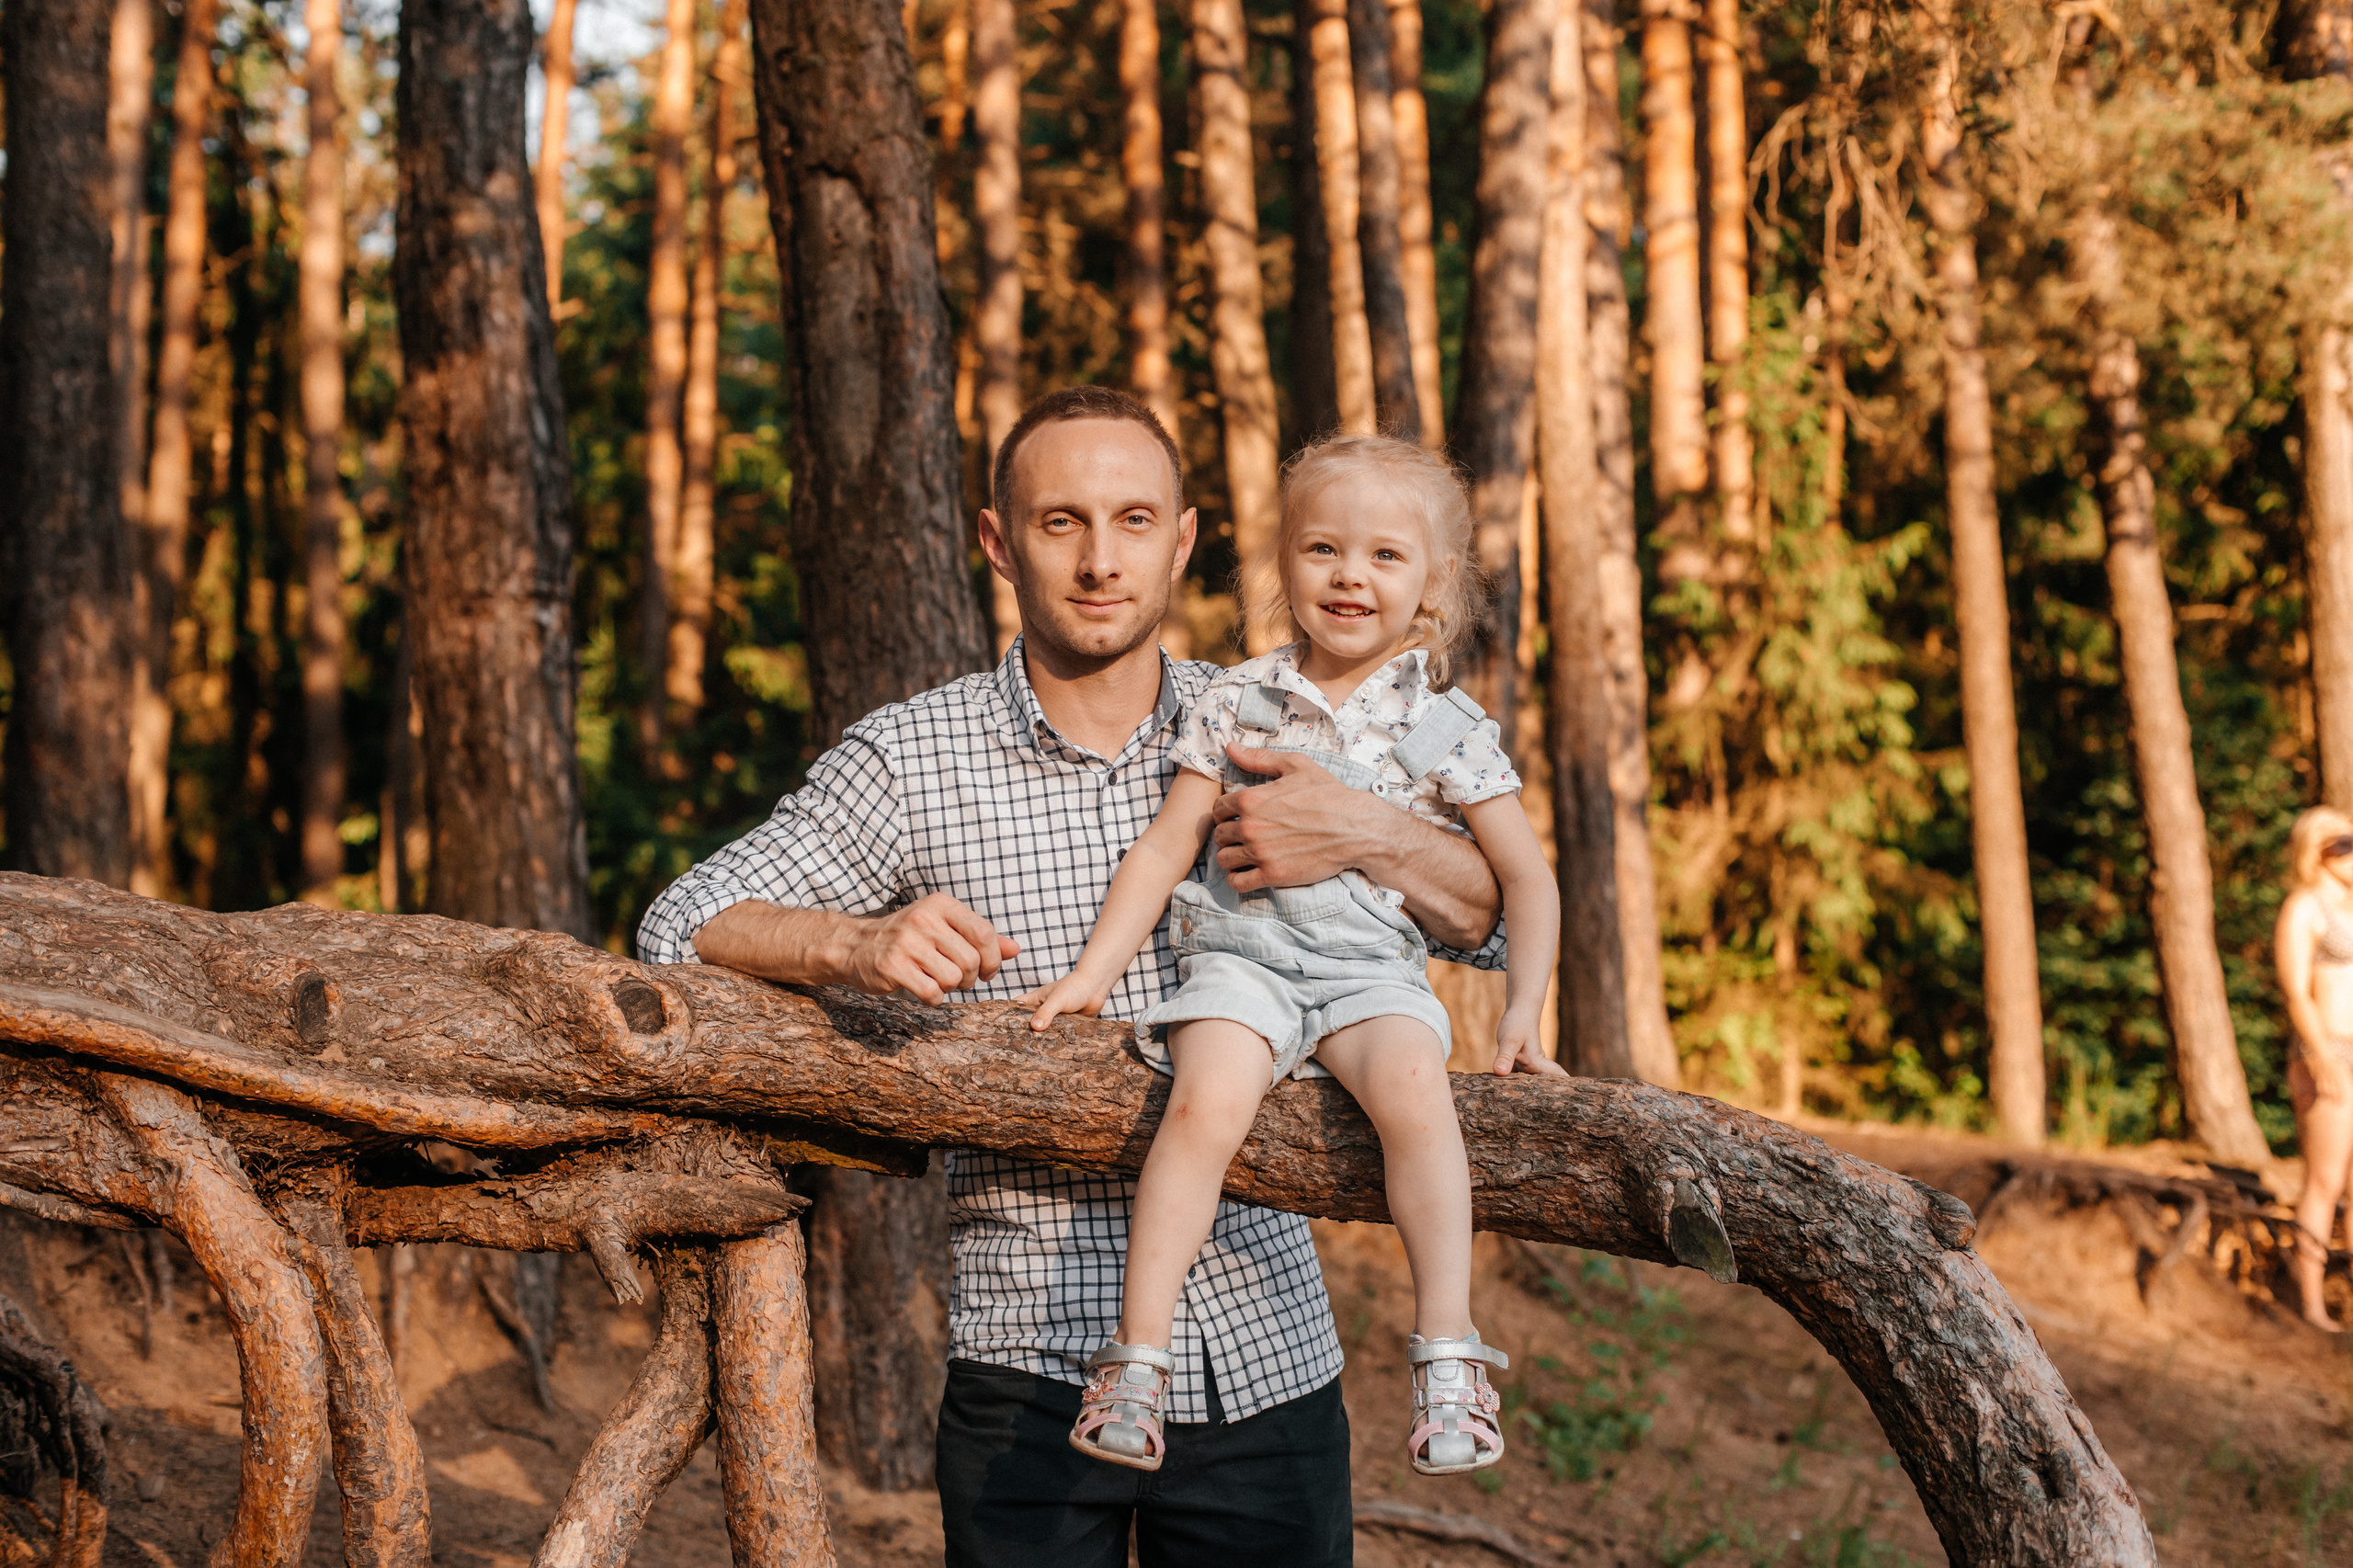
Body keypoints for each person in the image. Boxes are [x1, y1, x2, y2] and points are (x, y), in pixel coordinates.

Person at [635, 385, 1509, 1566]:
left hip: (1267, 1356)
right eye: (1062, 523)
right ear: (998, 541)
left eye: (1135, 520)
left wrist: (1366, 832)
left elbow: (1486, 919)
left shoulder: (1273, 714)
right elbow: (678, 921)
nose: (1102, 561)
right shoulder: (911, 757)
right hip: (1030, 1372)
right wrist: (854, 941)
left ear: (1184, 539)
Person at [1022, 433, 1561, 1479]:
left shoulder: (1445, 728)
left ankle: (1446, 1351)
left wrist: (1521, 1014)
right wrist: (1092, 975)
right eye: (1320, 548)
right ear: (1282, 564)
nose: (1349, 575)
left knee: (1417, 1094)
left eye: (1385, 557)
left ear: (1433, 587)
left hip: (1370, 979)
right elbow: (1167, 844)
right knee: (1202, 1101)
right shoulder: (1235, 697)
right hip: (1244, 960)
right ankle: (1137, 1358)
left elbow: (1528, 879)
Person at [2277, 805, 2353, 1331]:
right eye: (2340, 844)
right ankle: (2310, 1306)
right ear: (2314, 852)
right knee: (2324, 1182)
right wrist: (2321, 1054)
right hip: (2326, 1052)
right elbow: (2295, 991)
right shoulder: (2302, 908)